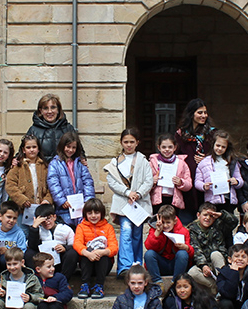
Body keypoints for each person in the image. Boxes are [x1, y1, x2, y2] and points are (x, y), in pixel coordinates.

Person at [104, 128, 153, 276]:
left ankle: (136, 263)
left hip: (139, 203)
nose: (129, 145)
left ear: (137, 143)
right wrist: (127, 192)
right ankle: (125, 266)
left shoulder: (144, 161)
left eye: (132, 142)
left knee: (137, 234)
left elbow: (148, 180)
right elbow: (112, 181)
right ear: (121, 143)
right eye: (126, 142)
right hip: (123, 203)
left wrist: (138, 193)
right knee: (125, 231)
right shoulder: (115, 162)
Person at [175, 98, 216, 223]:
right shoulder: (181, 134)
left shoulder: (212, 133)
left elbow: (218, 153)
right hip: (188, 180)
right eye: (200, 112)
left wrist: (206, 159)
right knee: (186, 219)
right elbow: (176, 155)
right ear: (191, 113)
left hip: (206, 180)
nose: (203, 115)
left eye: (205, 112)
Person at [6, 134, 54, 236]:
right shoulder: (17, 166)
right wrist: (22, 199)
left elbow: (52, 185)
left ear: (38, 149)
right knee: (23, 234)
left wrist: (47, 200)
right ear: (23, 150)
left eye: (34, 147)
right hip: (23, 211)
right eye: (28, 147)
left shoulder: (45, 166)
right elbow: (10, 185)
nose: (31, 150)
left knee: (40, 236)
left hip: (40, 210)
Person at [47, 132, 95, 227]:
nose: (70, 150)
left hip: (80, 206)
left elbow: (88, 182)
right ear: (62, 146)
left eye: (74, 147)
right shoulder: (55, 164)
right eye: (68, 146)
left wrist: (88, 200)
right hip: (65, 207)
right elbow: (53, 183)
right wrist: (61, 200)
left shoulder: (80, 163)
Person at [74, 198, 118, 299]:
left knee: (103, 256)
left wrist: (103, 252)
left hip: (103, 264)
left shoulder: (108, 227)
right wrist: (88, 253)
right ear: (85, 214)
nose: (93, 216)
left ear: (101, 213)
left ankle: (99, 286)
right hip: (87, 264)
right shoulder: (81, 227)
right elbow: (77, 243)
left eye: (96, 213)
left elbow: (114, 247)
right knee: (85, 253)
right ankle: (85, 285)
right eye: (90, 213)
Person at [194, 130, 243, 216]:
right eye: (218, 145)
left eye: (223, 147)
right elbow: (197, 181)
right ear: (213, 144)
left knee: (227, 223)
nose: (220, 149)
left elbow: (240, 180)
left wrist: (236, 181)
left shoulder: (232, 162)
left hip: (228, 199)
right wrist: (203, 186)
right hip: (212, 200)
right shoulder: (204, 162)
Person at [186, 203, 232, 292]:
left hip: (218, 263)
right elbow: (196, 250)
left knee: (215, 254)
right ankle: (215, 287)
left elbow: (233, 222)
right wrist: (203, 265)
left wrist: (221, 215)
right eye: (205, 215)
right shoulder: (192, 230)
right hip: (202, 265)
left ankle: (224, 283)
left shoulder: (218, 226)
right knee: (192, 273)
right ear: (198, 215)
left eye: (211, 216)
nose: (208, 218)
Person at [144, 205, 193, 284]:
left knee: (183, 254)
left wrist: (186, 248)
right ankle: (157, 282)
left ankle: (176, 282)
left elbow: (191, 255)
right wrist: (157, 232)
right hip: (161, 263)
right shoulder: (154, 230)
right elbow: (148, 247)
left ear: (175, 221)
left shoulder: (183, 231)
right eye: (163, 222)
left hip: (176, 265)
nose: (165, 225)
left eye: (168, 222)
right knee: (149, 254)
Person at [26, 204, 78, 279]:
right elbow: (31, 246)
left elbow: (73, 245)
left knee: (72, 253)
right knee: (29, 253)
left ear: (54, 217)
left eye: (48, 218)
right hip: (43, 261)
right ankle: (38, 280)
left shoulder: (65, 229)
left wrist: (65, 248)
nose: (46, 222)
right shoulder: (39, 230)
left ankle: (63, 280)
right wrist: (34, 228)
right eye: (43, 221)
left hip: (59, 260)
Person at [149, 133, 193, 219]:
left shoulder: (181, 163)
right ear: (159, 148)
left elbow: (189, 184)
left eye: (170, 147)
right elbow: (145, 181)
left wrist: (181, 182)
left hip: (174, 200)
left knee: (173, 223)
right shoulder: (152, 163)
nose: (167, 150)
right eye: (164, 147)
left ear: (175, 148)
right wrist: (152, 181)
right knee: (158, 223)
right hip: (157, 199)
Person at [25, 93, 78, 160]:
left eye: (53, 107)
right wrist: (15, 160)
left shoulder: (68, 128)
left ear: (58, 110)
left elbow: (79, 152)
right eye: (45, 108)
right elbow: (23, 151)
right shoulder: (33, 130)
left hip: (63, 169)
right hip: (42, 169)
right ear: (41, 111)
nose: (49, 111)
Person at [0, 200, 28, 273]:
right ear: (0, 216)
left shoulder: (19, 233)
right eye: (9, 217)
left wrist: (8, 252)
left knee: (4, 259)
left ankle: (7, 277)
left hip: (11, 263)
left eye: (14, 218)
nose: (11, 220)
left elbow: (22, 252)